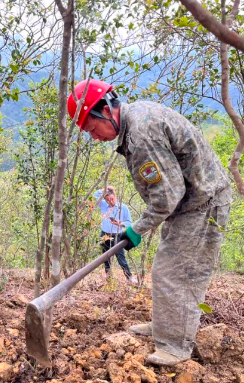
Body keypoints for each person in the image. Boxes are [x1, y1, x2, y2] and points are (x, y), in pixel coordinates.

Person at [67, 80, 232, 366]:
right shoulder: (136, 119)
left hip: (204, 204)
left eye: (93, 130)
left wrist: (135, 229)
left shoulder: (141, 134)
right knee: (165, 267)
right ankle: (166, 327)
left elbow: (167, 195)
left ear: (106, 111)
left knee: (178, 273)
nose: (95, 138)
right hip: (188, 204)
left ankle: (176, 346)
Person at [93, 185, 138, 285]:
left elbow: (129, 222)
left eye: (112, 199)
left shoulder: (123, 207)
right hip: (104, 234)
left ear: (115, 196)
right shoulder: (103, 205)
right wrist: (105, 188)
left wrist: (120, 223)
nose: (110, 202)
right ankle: (109, 277)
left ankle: (129, 277)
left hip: (117, 235)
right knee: (106, 257)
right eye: (108, 200)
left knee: (121, 257)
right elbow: (94, 195)